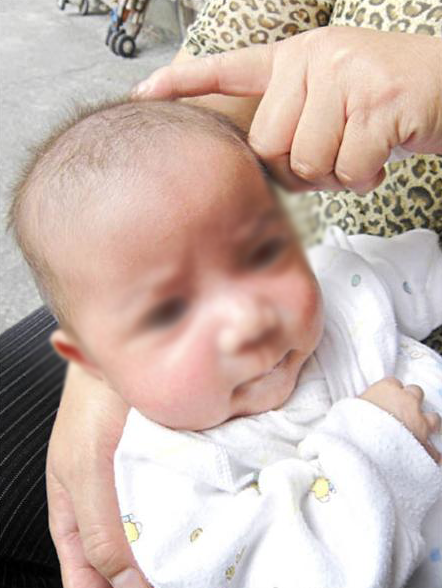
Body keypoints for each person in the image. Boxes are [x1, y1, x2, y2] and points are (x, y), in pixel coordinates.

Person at [1, 3, 441, 588]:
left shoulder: (340, 286)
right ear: (93, 360)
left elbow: (421, 272)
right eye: (170, 312)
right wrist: (379, 443)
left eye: (261, 254)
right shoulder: (167, 481)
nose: (248, 320)